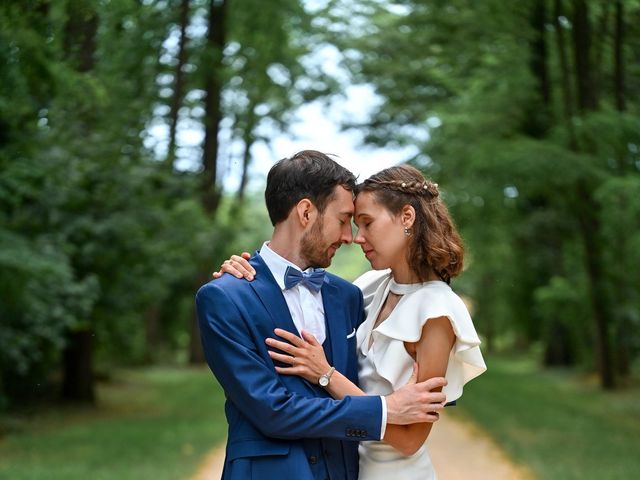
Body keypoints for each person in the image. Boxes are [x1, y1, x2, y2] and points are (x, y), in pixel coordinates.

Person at [219, 164, 487, 480]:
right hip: (351, 468)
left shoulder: (438, 312)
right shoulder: (368, 288)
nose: (356, 238)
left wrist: (326, 374)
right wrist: (246, 272)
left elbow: (410, 440)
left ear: (407, 218)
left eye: (366, 223)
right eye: (351, 223)